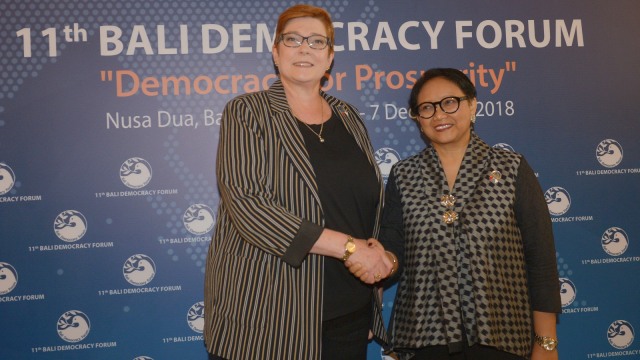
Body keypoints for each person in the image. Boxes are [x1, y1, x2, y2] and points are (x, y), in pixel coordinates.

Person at [203, 4, 396, 360]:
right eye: (292, 40)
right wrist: (351, 249)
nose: (304, 48)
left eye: (316, 41)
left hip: (348, 316)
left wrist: (375, 273)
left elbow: (368, 205)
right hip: (269, 317)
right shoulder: (247, 112)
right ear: (276, 53)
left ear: (329, 57)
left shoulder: (349, 116)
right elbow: (250, 206)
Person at [378, 68, 561, 360]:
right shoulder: (404, 175)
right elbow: (393, 249)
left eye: (450, 102)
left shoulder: (511, 168)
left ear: (472, 105)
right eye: (427, 108)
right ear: (417, 118)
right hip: (424, 338)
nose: (439, 115)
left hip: (502, 337)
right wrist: (377, 263)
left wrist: (546, 343)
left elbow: (540, 260)